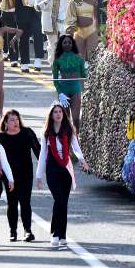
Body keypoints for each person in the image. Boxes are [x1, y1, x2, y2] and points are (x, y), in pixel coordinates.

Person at [35, 103, 90, 247]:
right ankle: (56, 234)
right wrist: (39, 176)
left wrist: (82, 159)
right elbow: (42, 154)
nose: (58, 114)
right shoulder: (46, 132)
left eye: (60, 111)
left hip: (66, 169)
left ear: (63, 114)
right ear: (51, 115)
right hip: (52, 169)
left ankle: (62, 234)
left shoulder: (68, 129)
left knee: (63, 202)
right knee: (58, 199)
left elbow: (75, 147)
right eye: (55, 112)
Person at [0, 110, 40, 242]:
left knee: (25, 202)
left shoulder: (27, 133)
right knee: (12, 202)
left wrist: (47, 166)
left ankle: (28, 231)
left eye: (17, 119)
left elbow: (38, 151)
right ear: (5, 123)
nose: (15, 122)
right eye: (12, 120)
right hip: (9, 175)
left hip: (26, 173)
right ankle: (13, 231)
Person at [52, 34, 87, 129]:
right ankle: (66, 139)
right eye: (65, 42)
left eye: (69, 42)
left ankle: (76, 139)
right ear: (61, 44)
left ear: (72, 44)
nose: (67, 44)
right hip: (64, 90)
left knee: (76, 119)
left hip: (75, 89)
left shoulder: (79, 58)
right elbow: (55, 80)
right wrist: (60, 93)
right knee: (65, 119)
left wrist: (87, 69)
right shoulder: (57, 60)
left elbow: (84, 75)